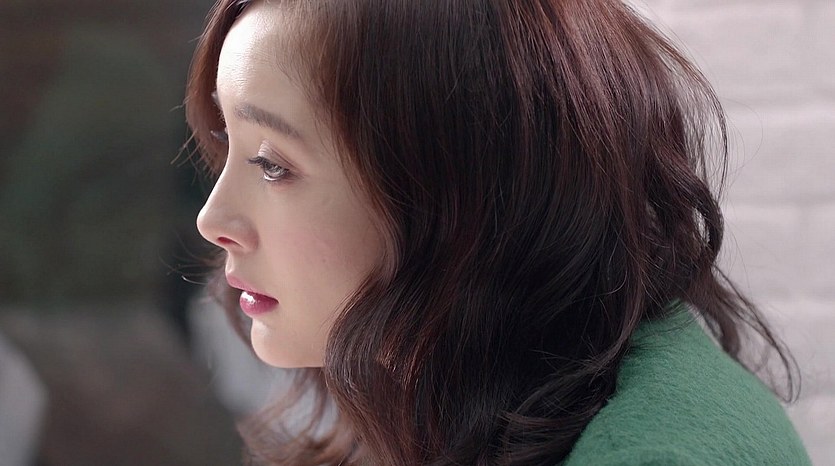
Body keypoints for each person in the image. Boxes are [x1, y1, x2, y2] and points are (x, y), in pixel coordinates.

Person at [185, 0, 811, 464]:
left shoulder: (658, 453)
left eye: (272, 164)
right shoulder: (444, 394)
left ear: (460, 188)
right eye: (225, 140)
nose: (212, 222)